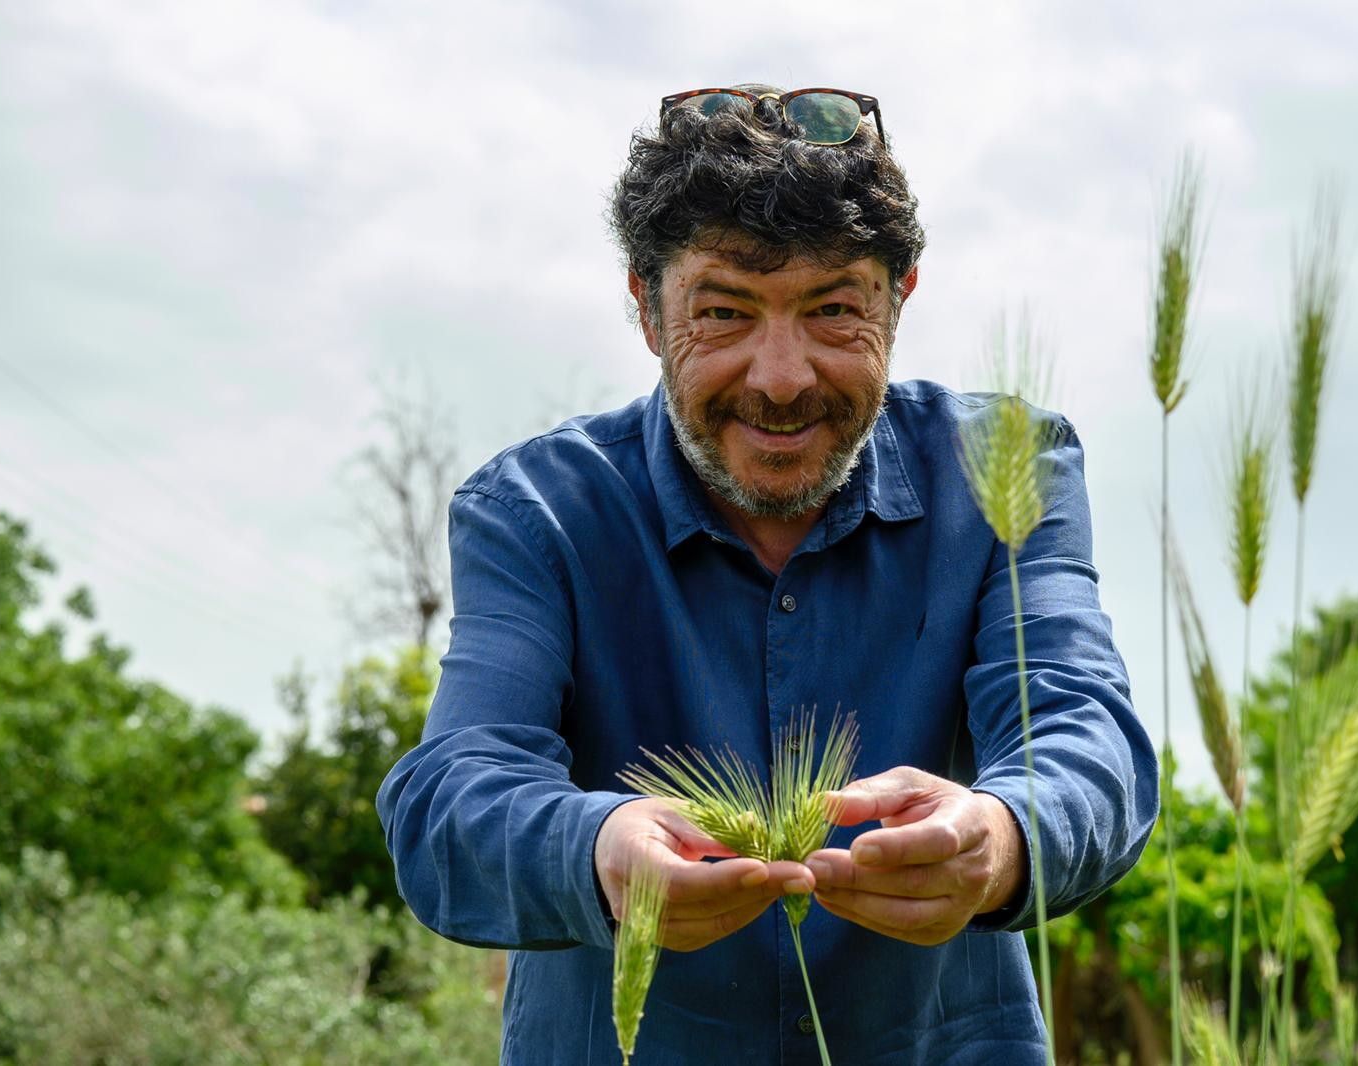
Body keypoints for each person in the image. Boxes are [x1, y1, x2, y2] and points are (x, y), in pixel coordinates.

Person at [377, 83, 1158, 1064]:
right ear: (647, 308)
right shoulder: (534, 512)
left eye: (834, 308)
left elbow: (1087, 736)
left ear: (900, 295)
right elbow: (448, 796)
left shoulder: (1002, 472)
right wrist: (596, 849)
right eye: (724, 311)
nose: (780, 376)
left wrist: (997, 835)